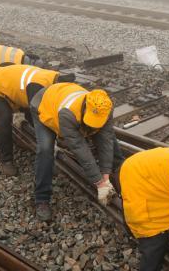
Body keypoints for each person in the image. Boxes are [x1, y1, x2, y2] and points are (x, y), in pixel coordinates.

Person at [30, 82, 121, 221]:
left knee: (110, 140)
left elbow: (106, 141)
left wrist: (106, 175)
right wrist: (99, 182)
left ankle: (119, 172)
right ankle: (41, 199)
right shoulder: (68, 114)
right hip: (44, 105)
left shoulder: (106, 108)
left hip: (62, 95)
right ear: (85, 108)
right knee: (45, 150)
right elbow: (80, 148)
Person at [0, 61, 60, 176]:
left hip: (14, 85)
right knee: (5, 117)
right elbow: (41, 119)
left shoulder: (53, 80)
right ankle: (6, 160)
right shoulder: (39, 88)